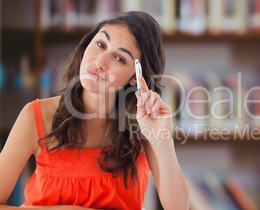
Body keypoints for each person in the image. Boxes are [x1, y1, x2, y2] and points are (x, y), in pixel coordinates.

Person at [0, 11, 189, 210]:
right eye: (100, 44)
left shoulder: (141, 127)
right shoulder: (36, 116)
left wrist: (162, 139)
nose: (100, 63)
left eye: (120, 59)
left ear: (136, 77)